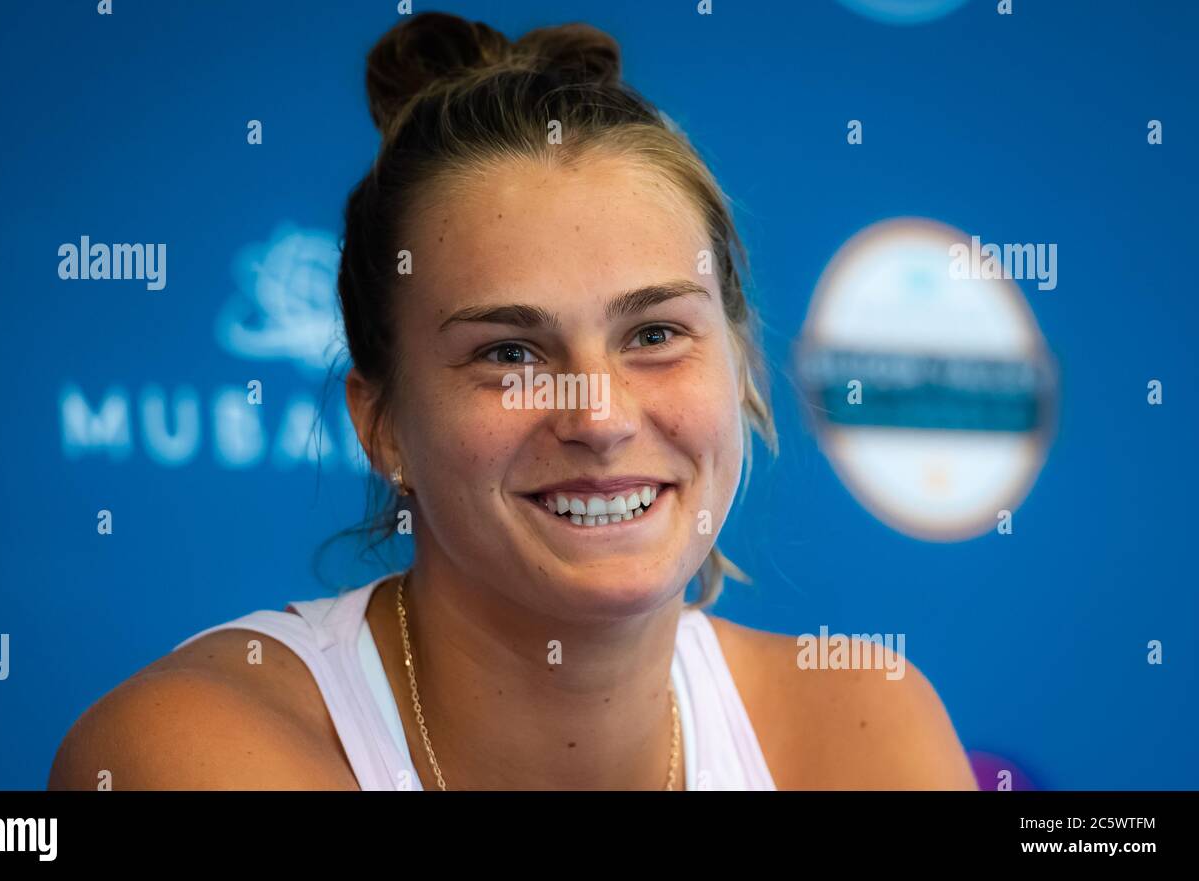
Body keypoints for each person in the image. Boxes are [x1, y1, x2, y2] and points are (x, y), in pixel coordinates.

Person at [48, 12, 977, 791]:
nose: (600, 416)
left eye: (654, 333)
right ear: (381, 425)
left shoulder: (865, 731)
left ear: (740, 368)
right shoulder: (196, 754)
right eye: (508, 351)